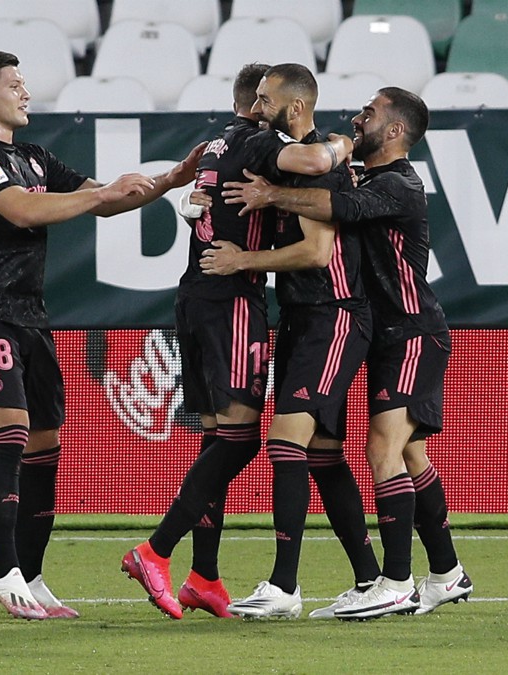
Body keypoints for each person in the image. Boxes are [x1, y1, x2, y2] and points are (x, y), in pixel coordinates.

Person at [0, 51, 206, 620]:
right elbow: (21, 210)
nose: (26, 92)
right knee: (9, 430)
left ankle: (32, 579)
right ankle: (2, 572)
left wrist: (170, 180)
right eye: (15, 85)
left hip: (31, 315)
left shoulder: (34, 156)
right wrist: (101, 195)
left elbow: (110, 202)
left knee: (45, 444)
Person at [217, 87, 471, 619]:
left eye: (370, 113)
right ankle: (446, 572)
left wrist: (270, 195)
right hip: (382, 334)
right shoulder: (370, 175)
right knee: (407, 453)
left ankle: (396, 582)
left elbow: (337, 207)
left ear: (396, 130)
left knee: (384, 448)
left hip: (411, 332)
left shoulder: (400, 185)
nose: (358, 118)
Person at [119, 63, 356, 620]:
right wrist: (344, 141)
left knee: (215, 441)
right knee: (243, 441)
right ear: (260, 103)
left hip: (192, 297)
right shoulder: (258, 143)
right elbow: (315, 159)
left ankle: (204, 576)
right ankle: (157, 549)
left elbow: (174, 177)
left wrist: (176, 196)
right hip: (232, 298)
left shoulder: (210, 145)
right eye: (266, 99)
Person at [196, 64, 378, 619]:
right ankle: (372, 580)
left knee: (284, 441)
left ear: (295, 107)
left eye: (266, 98)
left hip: (335, 314)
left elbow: (317, 253)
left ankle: (284, 587)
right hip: (302, 316)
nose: (256, 104)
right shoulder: (276, 157)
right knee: (323, 455)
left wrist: (242, 259)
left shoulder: (317, 159)